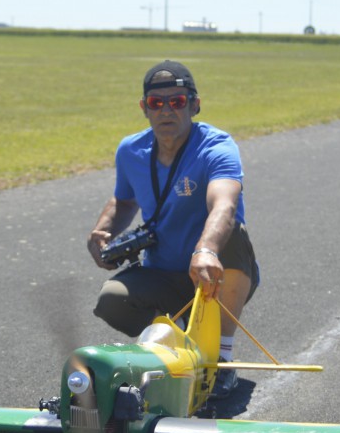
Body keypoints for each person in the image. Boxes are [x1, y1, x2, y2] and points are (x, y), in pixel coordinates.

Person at [87, 60, 259, 398]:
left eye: (177, 101)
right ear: (144, 109)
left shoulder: (217, 146)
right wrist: (103, 231)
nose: (167, 109)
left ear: (195, 105)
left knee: (232, 234)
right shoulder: (131, 150)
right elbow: (123, 201)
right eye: (156, 103)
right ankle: (179, 344)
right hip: (162, 274)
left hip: (216, 274)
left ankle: (221, 361)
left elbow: (223, 204)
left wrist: (206, 249)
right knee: (112, 300)